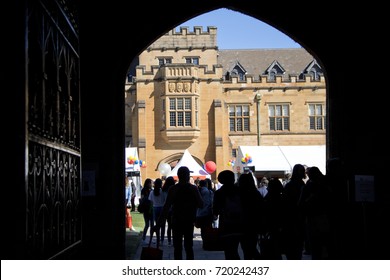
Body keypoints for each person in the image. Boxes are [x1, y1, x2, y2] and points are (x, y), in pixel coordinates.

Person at [157, 166, 203, 260]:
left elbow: (166, 207)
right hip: (189, 220)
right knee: (189, 247)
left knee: (177, 248)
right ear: (187, 176)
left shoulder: (173, 189)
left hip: (176, 220)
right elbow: (201, 204)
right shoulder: (193, 188)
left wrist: (159, 222)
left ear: (178, 176)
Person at [213, 170, 244, 259]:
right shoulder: (240, 191)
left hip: (226, 224)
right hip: (240, 224)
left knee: (229, 250)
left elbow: (215, 211)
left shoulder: (219, 193)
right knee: (236, 248)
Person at [280, 163, 307, 259]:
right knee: (296, 247)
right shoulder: (300, 185)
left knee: (293, 247)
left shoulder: (290, 185)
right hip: (295, 219)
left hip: (292, 219)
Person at [195, 179, 214, 245]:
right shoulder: (209, 192)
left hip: (199, 213)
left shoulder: (198, 191)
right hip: (207, 213)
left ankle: (204, 242)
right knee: (208, 228)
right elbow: (210, 203)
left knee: (203, 229)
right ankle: (208, 242)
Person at [148, 178, 167, 245]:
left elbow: (150, 202)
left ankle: (157, 239)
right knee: (163, 225)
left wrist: (150, 210)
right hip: (162, 208)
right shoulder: (163, 192)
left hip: (155, 208)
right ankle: (162, 240)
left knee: (157, 225)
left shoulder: (152, 192)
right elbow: (165, 200)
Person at [162, 176, 176, 246]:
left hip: (167, 209)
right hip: (173, 209)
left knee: (169, 226)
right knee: (173, 226)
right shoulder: (174, 189)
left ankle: (169, 240)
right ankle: (174, 240)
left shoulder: (163, 190)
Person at [140, 178, 153, 243]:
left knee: (150, 224)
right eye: (151, 183)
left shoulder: (151, 190)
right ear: (148, 183)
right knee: (147, 224)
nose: (152, 184)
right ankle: (144, 238)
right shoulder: (144, 190)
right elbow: (142, 198)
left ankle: (149, 238)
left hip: (150, 208)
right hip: (146, 208)